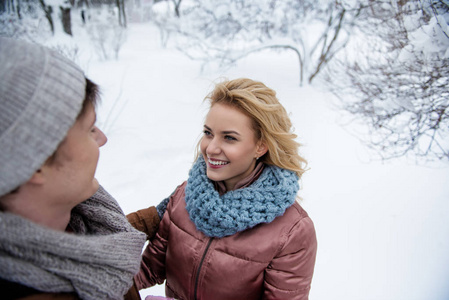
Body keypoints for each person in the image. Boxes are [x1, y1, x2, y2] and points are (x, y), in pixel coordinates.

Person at [0, 37, 161, 300]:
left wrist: (160, 215)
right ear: (36, 163)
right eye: (89, 129)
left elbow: (107, 240)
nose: (102, 139)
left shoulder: (84, 217)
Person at [130, 78, 317, 300]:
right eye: (208, 133)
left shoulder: (292, 231)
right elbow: (150, 267)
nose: (211, 148)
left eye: (229, 138)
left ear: (260, 146)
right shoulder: (186, 195)